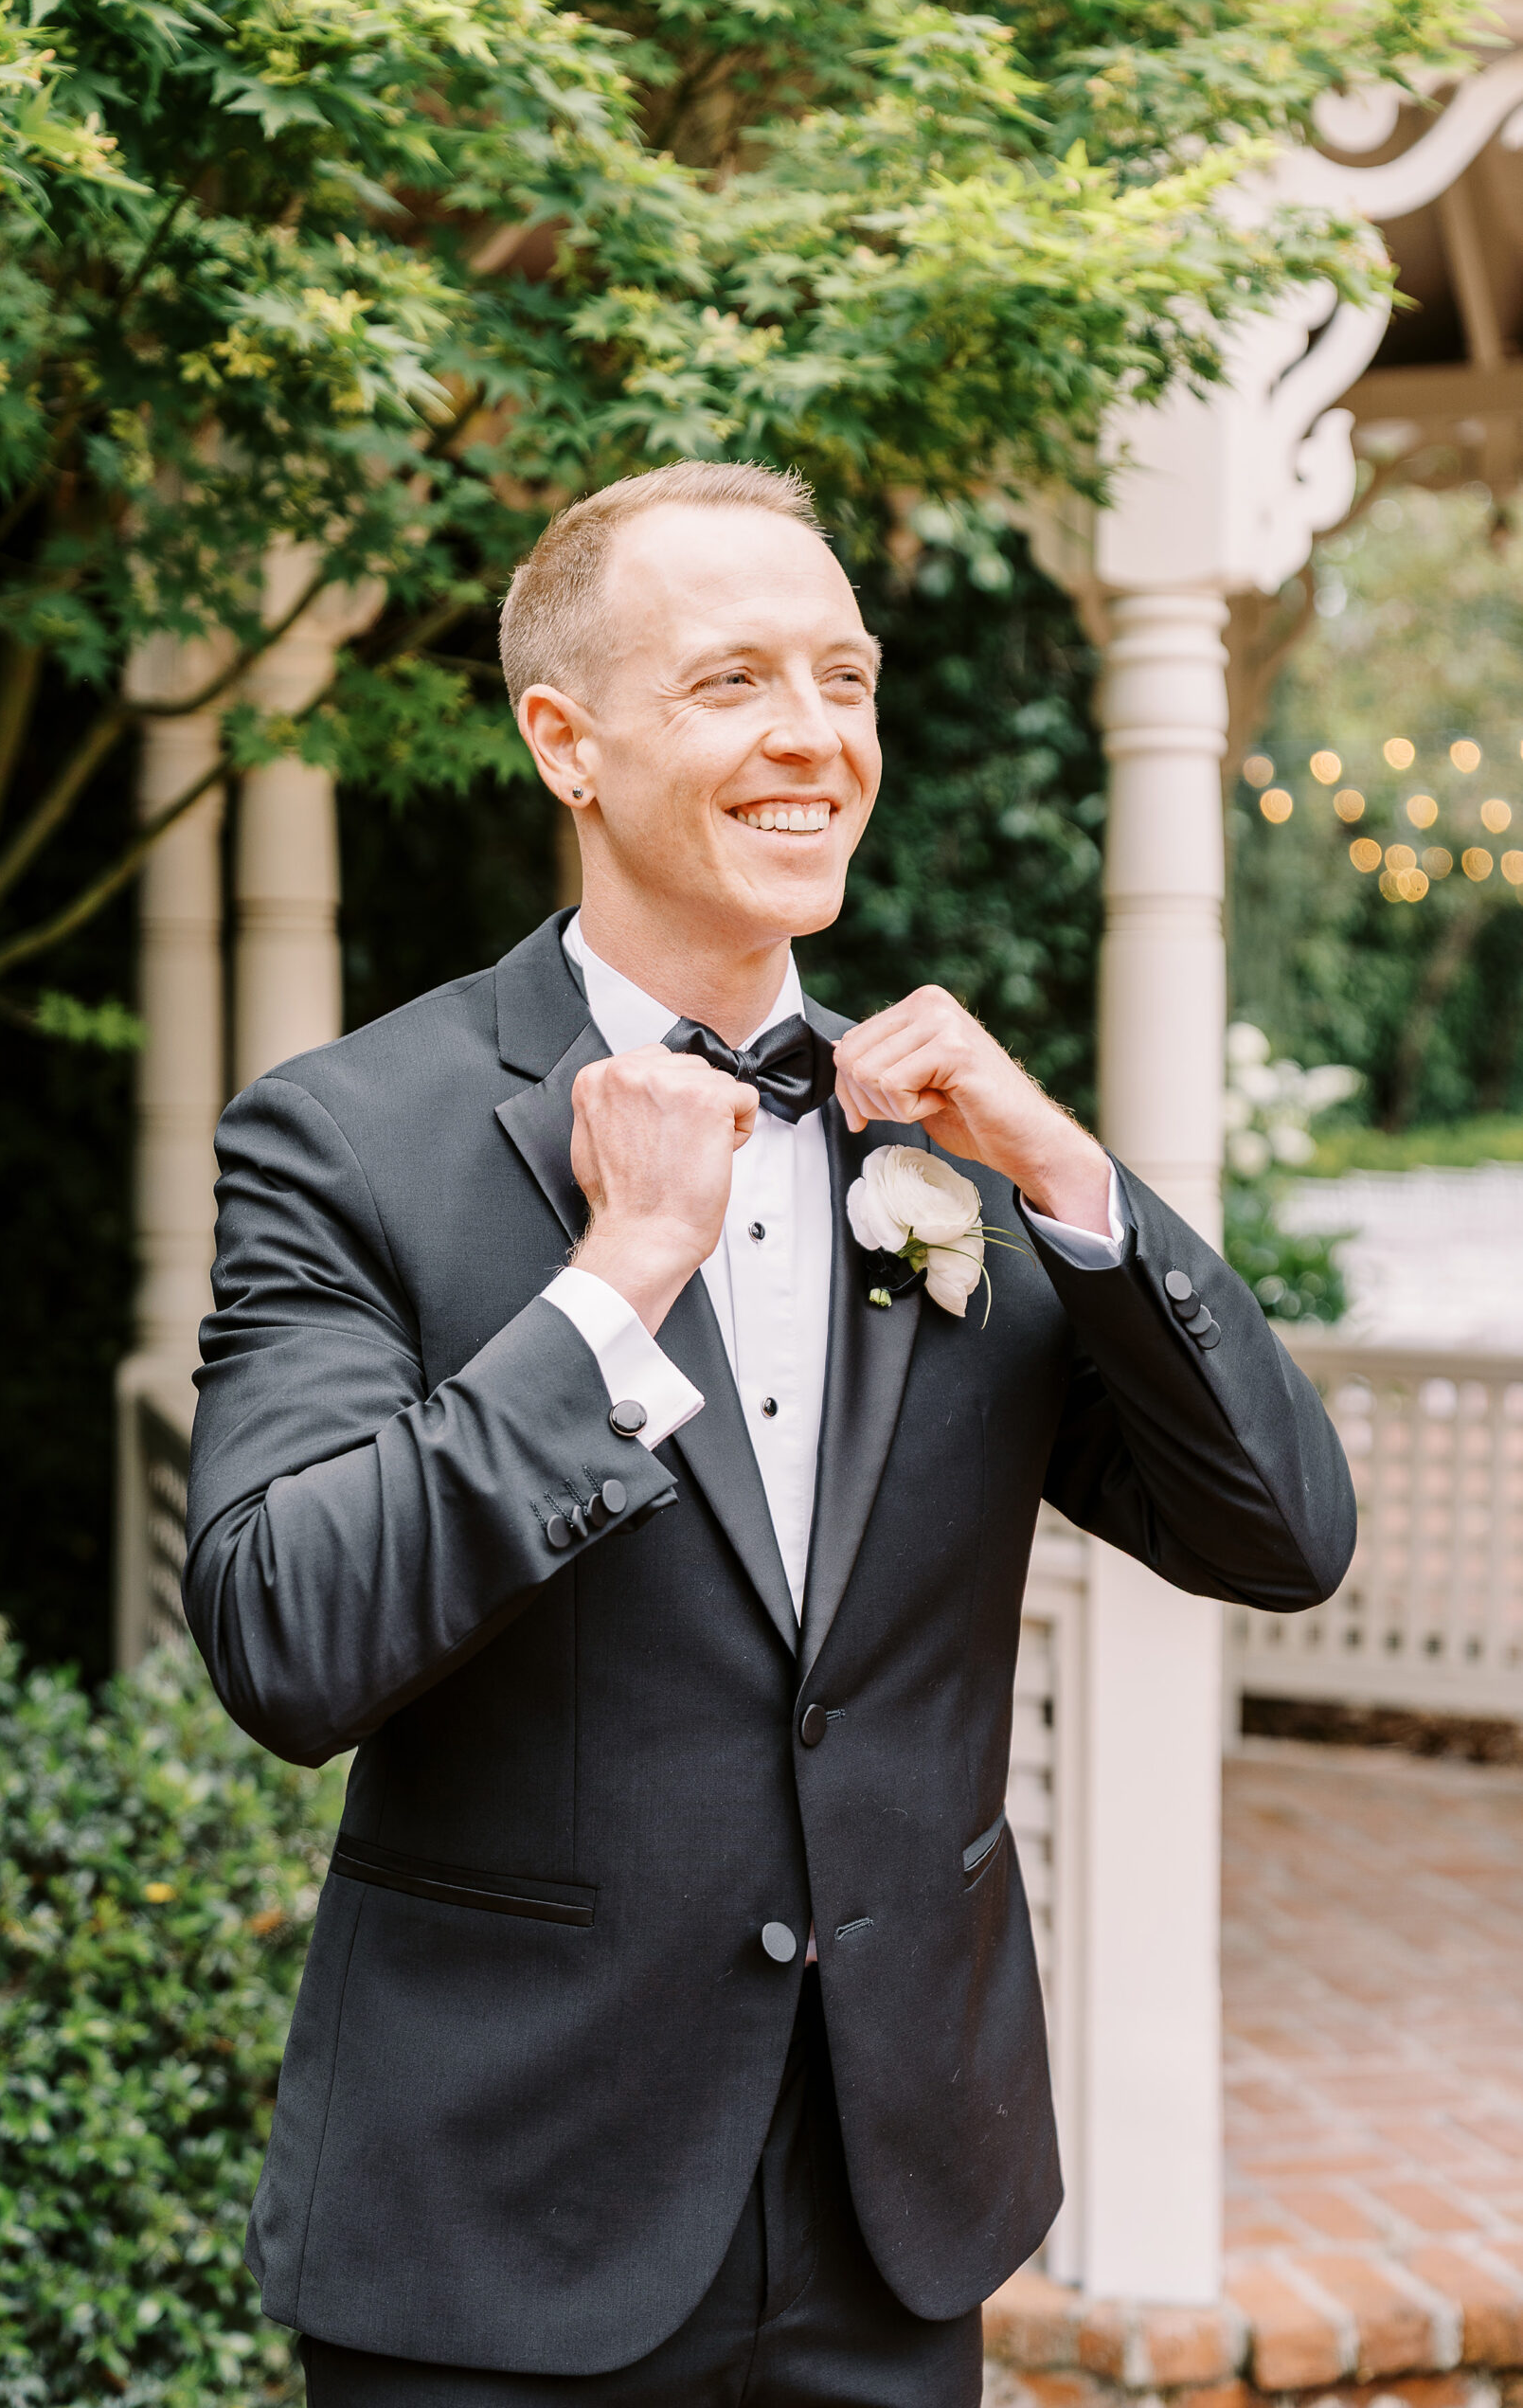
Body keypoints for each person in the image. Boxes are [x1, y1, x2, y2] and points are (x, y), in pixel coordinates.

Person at [185, 460, 1355, 2408]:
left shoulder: (959, 1149)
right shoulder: (347, 1137)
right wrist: (617, 1277)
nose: (815, 735)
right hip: (503, 2219)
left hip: (897, 2197)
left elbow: (1279, 1533)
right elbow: (287, 1634)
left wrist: (1073, 1175)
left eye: (847, 677)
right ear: (566, 739)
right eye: (733, 680)